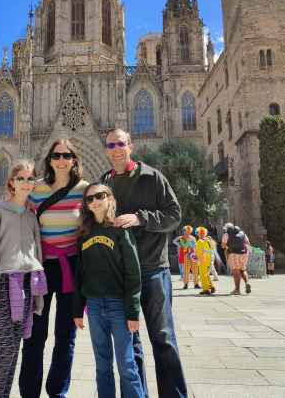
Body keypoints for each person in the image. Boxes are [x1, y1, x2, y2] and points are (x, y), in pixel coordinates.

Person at [101, 128, 187, 398]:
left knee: (163, 339)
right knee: (130, 342)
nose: (116, 148)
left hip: (152, 270)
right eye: (111, 145)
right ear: (106, 150)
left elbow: (174, 215)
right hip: (121, 275)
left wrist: (142, 218)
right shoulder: (104, 183)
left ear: (131, 146)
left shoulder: (152, 177)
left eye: (120, 143)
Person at [19, 139, 89, 398]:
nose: (61, 160)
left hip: (72, 268)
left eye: (66, 155)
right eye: (56, 155)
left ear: (74, 159)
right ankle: (29, 392)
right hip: (41, 268)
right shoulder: (36, 190)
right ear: (49, 160)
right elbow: (18, 217)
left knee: (66, 336)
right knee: (35, 335)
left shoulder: (85, 190)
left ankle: (58, 391)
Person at [0, 160, 47, 398]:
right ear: (11, 182)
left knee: (15, 350)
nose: (26, 183)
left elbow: (35, 253)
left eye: (30, 179)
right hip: (4, 285)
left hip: (27, 285)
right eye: (21, 178)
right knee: (6, 349)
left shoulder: (30, 216)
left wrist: (38, 294)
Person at [73, 183, 143, 398]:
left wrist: (133, 312)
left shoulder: (120, 229)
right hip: (93, 306)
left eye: (99, 196)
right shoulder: (84, 233)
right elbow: (80, 274)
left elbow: (133, 272)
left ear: (109, 198)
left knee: (127, 366)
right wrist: (78, 310)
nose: (94, 201)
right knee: (102, 366)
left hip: (118, 306)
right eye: (89, 199)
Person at [221, 223, 251, 295]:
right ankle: (247, 283)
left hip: (233, 254)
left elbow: (223, 246)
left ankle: (237, 289)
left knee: (236, 272)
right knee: (243, 269)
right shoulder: (242, 233)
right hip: (244, 253)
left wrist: (226, 246)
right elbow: (248, 243)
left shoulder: (226, 234)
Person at [195, 227, 215, 295]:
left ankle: (206, 289)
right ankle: (211, 286)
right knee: (206, 274)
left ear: (199, 234)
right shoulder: (209, 240)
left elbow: (198, 252)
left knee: (203, 275)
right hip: (208, 259)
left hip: (202, 260)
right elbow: (212, 250)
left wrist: (196, 258)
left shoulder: (199, 241)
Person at [178, 225, 199, 290]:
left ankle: (196, 284)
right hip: (186, 255)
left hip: (193, 254)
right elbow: (185, 246)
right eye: (185, 231)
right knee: (186, 270)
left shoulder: (193, 238)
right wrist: (187, 240)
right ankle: (186, 284)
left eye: (188, 231)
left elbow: (195, 246)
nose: (187, 232)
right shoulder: (182, 238)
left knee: (195, 270)